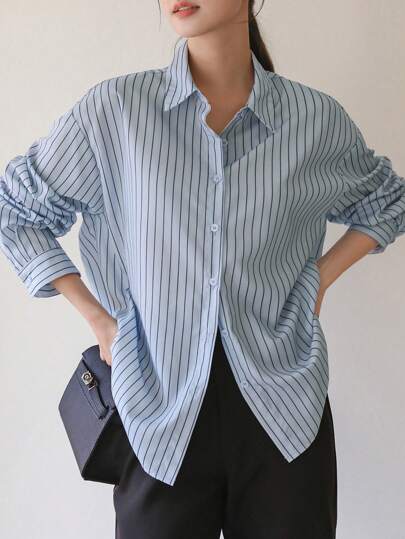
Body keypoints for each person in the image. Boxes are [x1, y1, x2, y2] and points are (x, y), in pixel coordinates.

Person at [1, 1, 405, 538]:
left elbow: (387, 201)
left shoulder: (313, 120)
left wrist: (319, 279)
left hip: (282, 411)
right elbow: (17, 209)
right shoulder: (116, 112)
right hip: (157, 409)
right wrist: (99, 320)